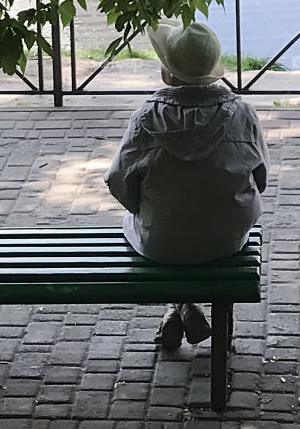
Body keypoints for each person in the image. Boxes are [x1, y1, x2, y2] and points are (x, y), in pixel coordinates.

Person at [104, 18, 269, 350]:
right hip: (227, 239)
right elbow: (260, 181)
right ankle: (186, 308)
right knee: (197, 228)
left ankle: (182, 307)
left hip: (161, 242)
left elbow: (118, 182)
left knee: (153, 226)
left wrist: (149, 206)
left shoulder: (146, 119)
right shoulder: (244, 114)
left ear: (168, 74)